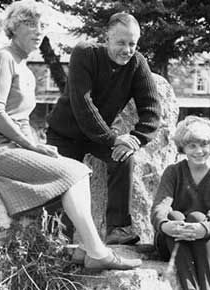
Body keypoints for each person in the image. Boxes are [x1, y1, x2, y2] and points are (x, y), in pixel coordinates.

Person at [0, 0, 141, 270]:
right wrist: (30, 145)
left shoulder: (26, 70)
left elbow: (20, 120)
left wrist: (37, 148)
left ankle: (85, 248)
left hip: (6, 146)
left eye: (42, 25)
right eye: (30, 24)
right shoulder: (3, 58)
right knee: (75, 172)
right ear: (13, 28)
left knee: (76, 170)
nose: (38, 31)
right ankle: (96, 251)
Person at [46, 12, 161, 245]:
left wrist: (134, 140)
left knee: (123, 158)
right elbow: (83, 105)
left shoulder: (137, 63)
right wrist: (113, 139)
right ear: (106, 37)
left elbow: (152, 111)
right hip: (65, 133)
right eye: (121, 42)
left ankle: (118, 228)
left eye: (132, 44)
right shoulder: (84, 53)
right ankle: (57, 240)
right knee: (62, 181)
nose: (127, 49)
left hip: (99, 137)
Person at [151, 116, 210, 290]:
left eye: (204, 144)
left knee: (197, 217)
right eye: (192, 146)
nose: (199, 151)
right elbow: (160, 205)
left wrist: (202, 229)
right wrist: (166, 225)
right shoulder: (173, 172)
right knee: (174, 215)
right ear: (183, 147)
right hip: (173, 239)